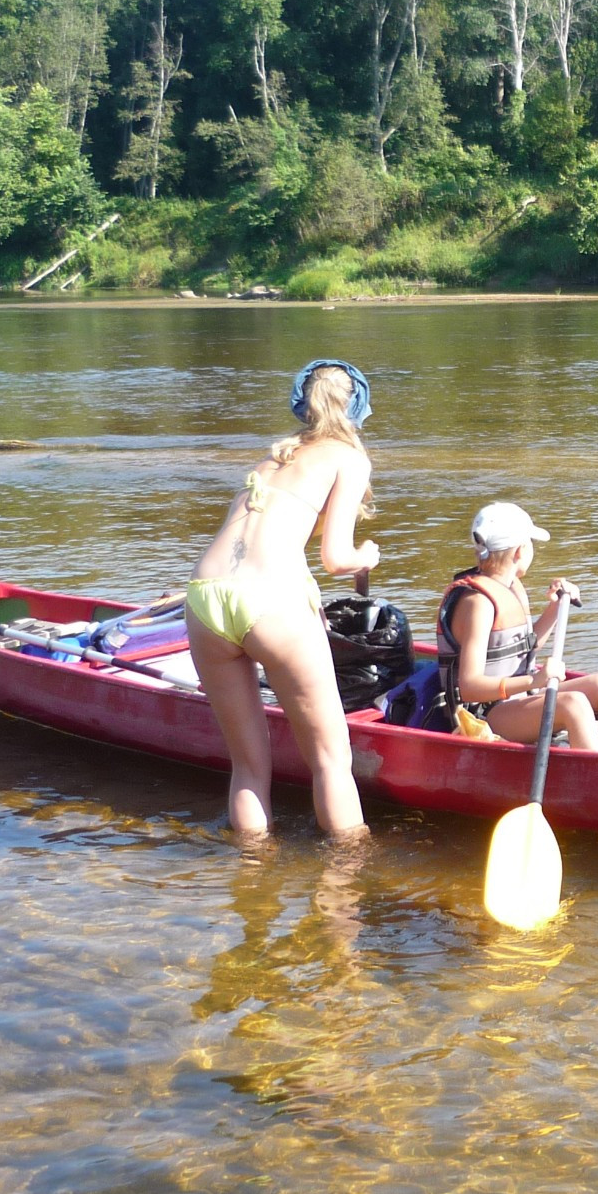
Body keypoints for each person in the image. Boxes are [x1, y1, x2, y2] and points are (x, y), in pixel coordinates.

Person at [186, 359, 379, 839]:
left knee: (249, 767)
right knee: (332, 761)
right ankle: (347, 884)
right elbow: (336, 558)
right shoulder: (349, 458)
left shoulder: (274, 457)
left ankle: (253, 883)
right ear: (356, 410)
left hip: (206, 598)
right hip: (272, 600)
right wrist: (366, 555)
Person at [437, 501, 598, 752]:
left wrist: (555, 607)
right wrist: (534, 680)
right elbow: (469, 687)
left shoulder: (511, 586)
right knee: (573, 704)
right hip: (482, 714)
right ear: (520, 551)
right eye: (531, 544)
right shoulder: (477, 603)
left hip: (516, 700)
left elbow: (524, 648)